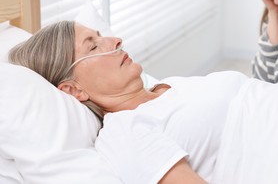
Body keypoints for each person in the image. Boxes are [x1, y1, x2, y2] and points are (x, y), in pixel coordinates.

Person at [9, 20, 251, 183]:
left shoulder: (169, 86)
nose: (116, 40)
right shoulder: (128, 131)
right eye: (93, 46)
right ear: (73, 90)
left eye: (101, 36)